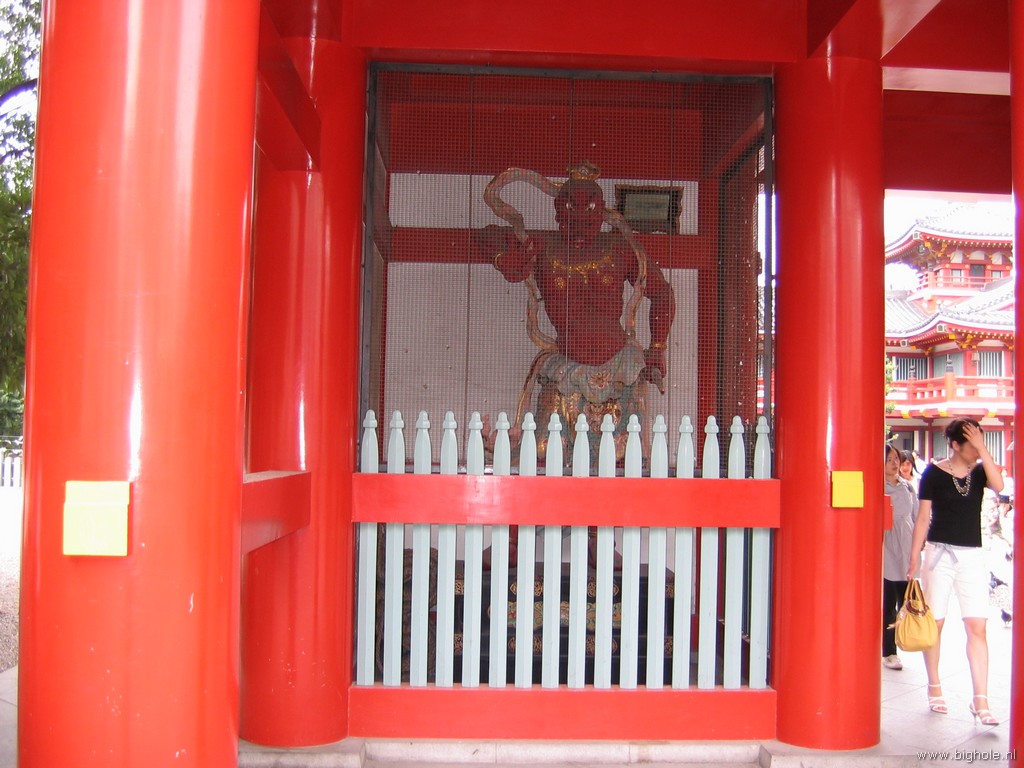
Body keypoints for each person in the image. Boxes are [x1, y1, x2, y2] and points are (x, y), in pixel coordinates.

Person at [479, 163, 676, 459]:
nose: (581, 226)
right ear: (558, 213)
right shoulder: (542, 248)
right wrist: (502, 257)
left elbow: (662, 292)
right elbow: (487, 233)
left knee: (624, 456)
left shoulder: (620, 247)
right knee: (546, 452)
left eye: (589, 217)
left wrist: (657, 348)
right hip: (566, 367)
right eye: (572, 216)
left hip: (620, 364)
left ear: (602, 213)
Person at [906, 418, 1003, 725]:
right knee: (935, 623)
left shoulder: (981, 471)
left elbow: (1000, 485)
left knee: (978, 626)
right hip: (939, 554)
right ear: (956, 445)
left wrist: (983, 449)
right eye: (973, 443)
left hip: (972, 555)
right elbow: (923, 518)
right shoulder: (933, 473)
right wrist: (914, 557)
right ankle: (934, 686)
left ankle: (980, 699)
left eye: (980, 442)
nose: (978, 449)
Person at [883, 443, 918, 670]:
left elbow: (916, 515)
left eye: (896, 458)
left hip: (907, 542)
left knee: (905, 599)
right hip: (887, 543)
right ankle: (889, 651)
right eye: (889, 460)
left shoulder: (908, 487)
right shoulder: (879, 486)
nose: (895, 463)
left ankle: (903, 639)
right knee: (888, 603)